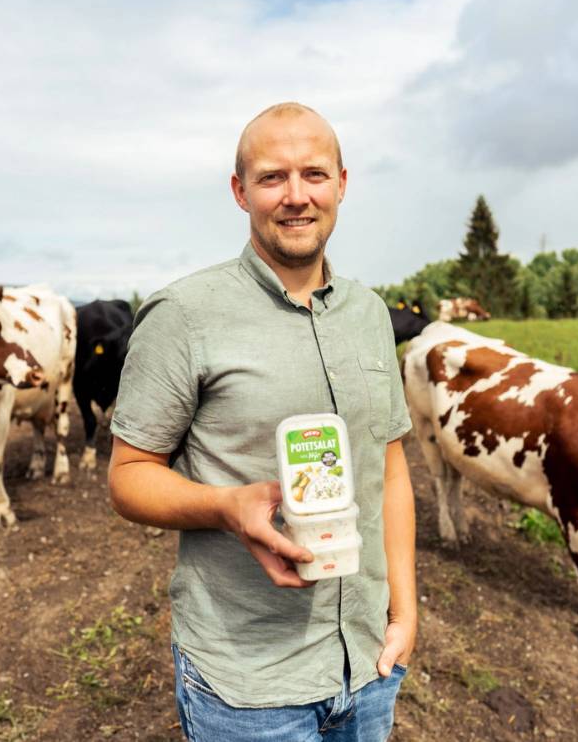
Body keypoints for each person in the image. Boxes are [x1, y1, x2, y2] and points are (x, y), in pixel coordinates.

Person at [108, 102, 417, 741]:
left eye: (314, 175)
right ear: (240, 191)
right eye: (273, 177)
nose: (296, 196)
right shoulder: (183, 315)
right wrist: (226, 506)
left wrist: (404, 613)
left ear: (342, 183)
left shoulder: (369, 313)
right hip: (248, 688)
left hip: (368, 667)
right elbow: (129, 476)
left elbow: (388, 472)